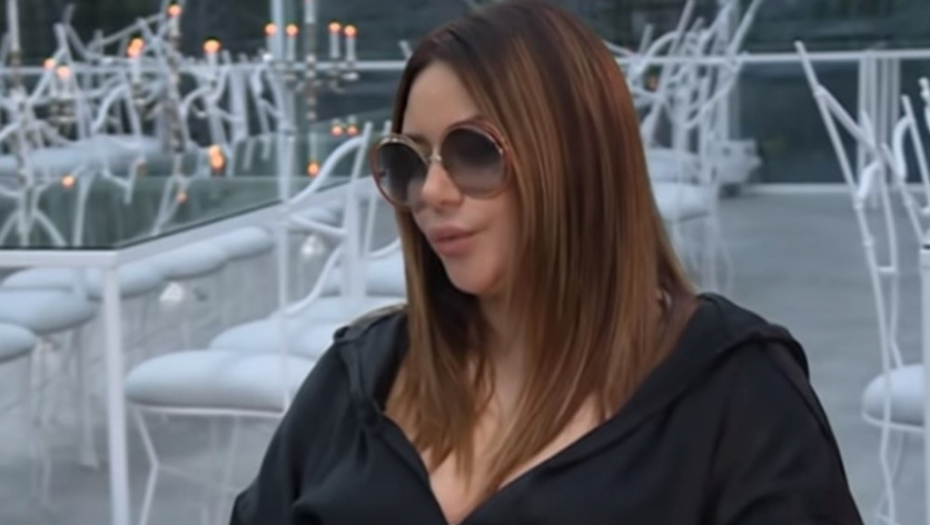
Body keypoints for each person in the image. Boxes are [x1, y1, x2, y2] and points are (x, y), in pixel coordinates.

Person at [231, 2, 863, 524]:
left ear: (578, 163)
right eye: (408, 161)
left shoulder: (737, 396)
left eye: (475, 152)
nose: (431, 192)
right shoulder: (359, 375)